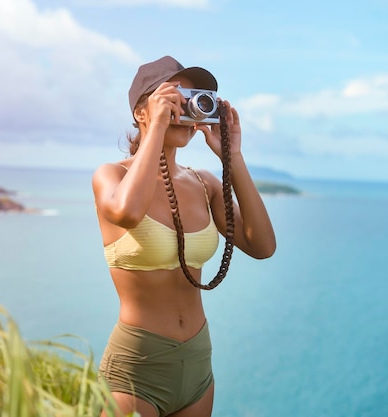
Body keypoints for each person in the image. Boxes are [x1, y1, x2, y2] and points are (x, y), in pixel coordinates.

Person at [93, 56, 277, 417]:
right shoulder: (110, 176)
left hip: (197, 363)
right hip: (138, 366)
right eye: (171, 98)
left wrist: (232, 157)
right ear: (141, 112)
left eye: (192, 98)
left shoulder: (203, 183)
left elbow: (262, 246)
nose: (183, 108)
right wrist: (158, 128)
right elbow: (128, 212)